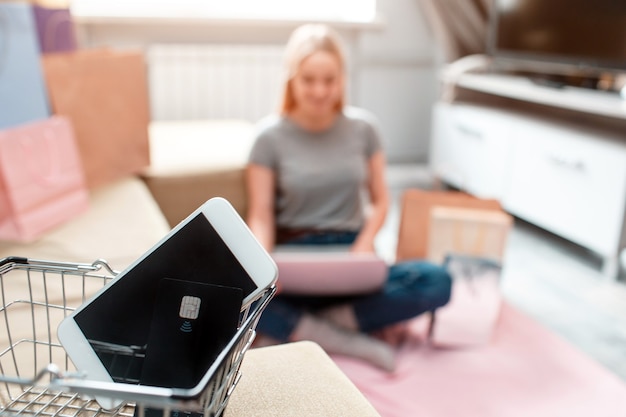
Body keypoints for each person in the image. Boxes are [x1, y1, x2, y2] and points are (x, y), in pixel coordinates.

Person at [245, 23, 451, 371]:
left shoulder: (364, 129)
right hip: (296, 258)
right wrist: (262, 263)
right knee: (234, 295)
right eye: (309, 80)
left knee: (437, 280)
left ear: (344, 78)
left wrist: (366, 244)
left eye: (330, 79)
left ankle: (301, 327)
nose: (320, 90)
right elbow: (261, 212)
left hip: (352, 253)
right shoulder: (268, 137)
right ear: (291, 79)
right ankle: (346, 337)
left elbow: (382, 201)